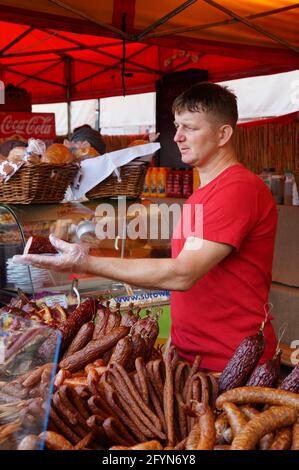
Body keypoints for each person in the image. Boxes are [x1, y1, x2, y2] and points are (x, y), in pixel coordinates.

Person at [13, 82, 277, 372]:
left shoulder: (237, 189)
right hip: (193, 358)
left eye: (190, 128)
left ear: (223, 133)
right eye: (177, 126)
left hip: (231, 363)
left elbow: (183, 273)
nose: (177, 137)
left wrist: (86, 261)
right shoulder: (205, 192)